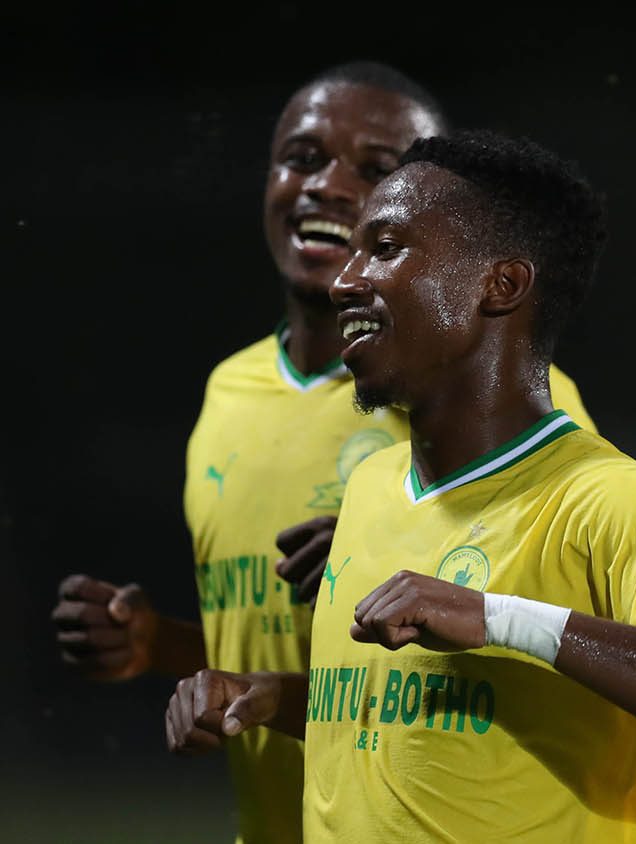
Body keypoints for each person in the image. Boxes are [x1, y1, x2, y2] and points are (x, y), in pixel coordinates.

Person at [162, 130, 636, 842]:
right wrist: (267, 695)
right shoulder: (375, 486)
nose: (346, 279)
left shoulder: (603, 496)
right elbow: (413, 717)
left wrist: (502, 619)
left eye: (387, 247)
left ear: (500, 285)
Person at [50, 65, 595, 843]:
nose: (328, 187)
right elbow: (307, 660)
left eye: (377, 171)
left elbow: (570, 627)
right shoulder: (227, 394)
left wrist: (403, 538)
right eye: (302, 158)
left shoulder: (503, 396)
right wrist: (155, 646)